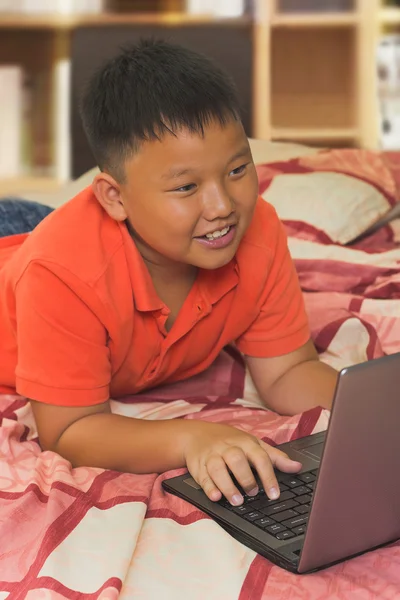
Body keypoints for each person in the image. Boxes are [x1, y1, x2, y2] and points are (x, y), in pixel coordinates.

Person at [0, 40, 337, 508]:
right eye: (186, 187)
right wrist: (190, 438)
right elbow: (69, 430)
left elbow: (289, 372)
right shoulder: (59, 274)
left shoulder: (258, 230)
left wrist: (371, 407)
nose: (223, 207)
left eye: (238, 169)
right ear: (114, 198)